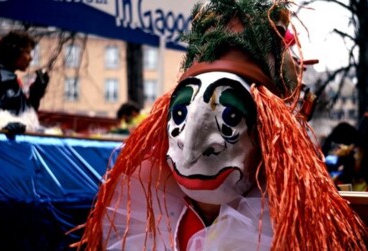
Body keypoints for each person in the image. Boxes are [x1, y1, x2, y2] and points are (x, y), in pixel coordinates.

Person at [77, 0, 367, 250]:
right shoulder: (145, 205)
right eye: (179, 115)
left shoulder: (282, 220)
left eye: (230, 118)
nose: (189, 149)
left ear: (268, 128)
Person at [0, 31, 49, 135]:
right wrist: (2, 125)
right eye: (27, 52)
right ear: (14, 52)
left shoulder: (11, 80)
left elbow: (24, 116)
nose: (31, 58)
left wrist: (36, 94)